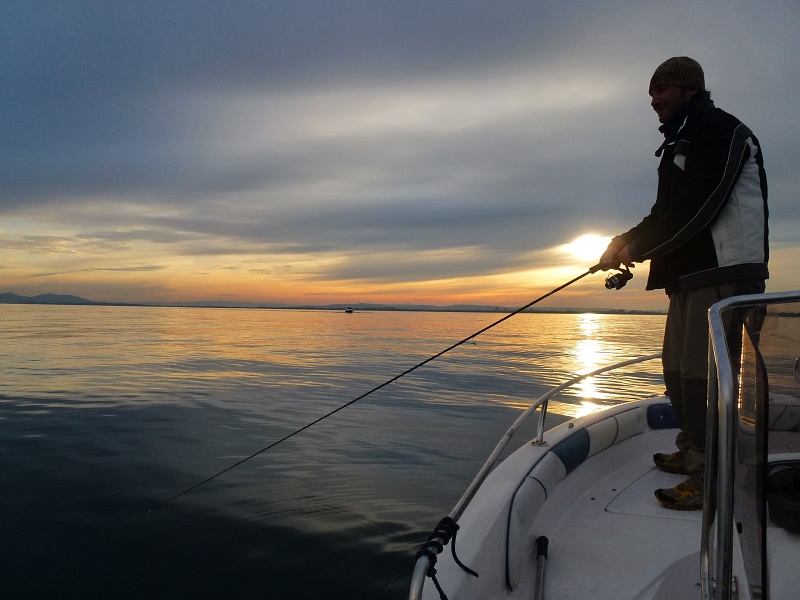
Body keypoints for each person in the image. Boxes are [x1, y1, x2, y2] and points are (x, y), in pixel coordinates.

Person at [599, 56, 769, 511]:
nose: (655, 101)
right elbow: (663, 214)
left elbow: (701, 207)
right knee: (676, 373)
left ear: (690, 89)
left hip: (724, 275)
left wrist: (640, 250)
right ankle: (694, 448)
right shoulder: (679, 140)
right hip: (687, 278)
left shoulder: (720, 131)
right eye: (651, 93)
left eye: (663, 91)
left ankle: (710, 474)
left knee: (702, 379)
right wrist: (623, 241)